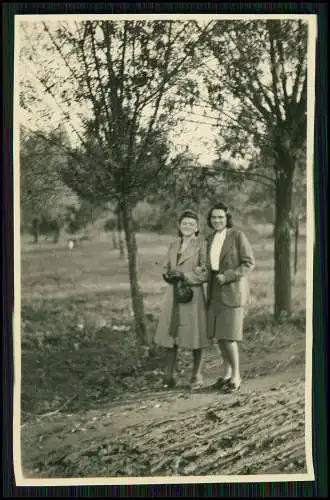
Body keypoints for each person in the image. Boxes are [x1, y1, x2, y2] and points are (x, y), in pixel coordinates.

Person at [154, 209, 210, 390]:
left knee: (196, 334)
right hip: (173, 295)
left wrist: (185, 276)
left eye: (191, 224)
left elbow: (206, 272)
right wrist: (168, 275)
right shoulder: (173, 245)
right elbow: (164, 266)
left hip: (192, 295)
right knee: (170, 334)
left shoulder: (201, 244)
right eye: (184, 223)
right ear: (179, 225)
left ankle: (197, 375)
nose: (187, 226)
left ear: (197, 228)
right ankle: (169, 375)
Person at [205, 202, 255, 393]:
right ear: (210, 220)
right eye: (213, 217)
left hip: (232, 290)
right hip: (214, 291)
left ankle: (236, 376)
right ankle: (226, 374)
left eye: (220, 217)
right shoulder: (209, 239)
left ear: (227, 219)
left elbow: (249, 263)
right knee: (220, 336)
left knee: (229, 336)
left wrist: (227, 276)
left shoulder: (237, 236)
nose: (217, 220)